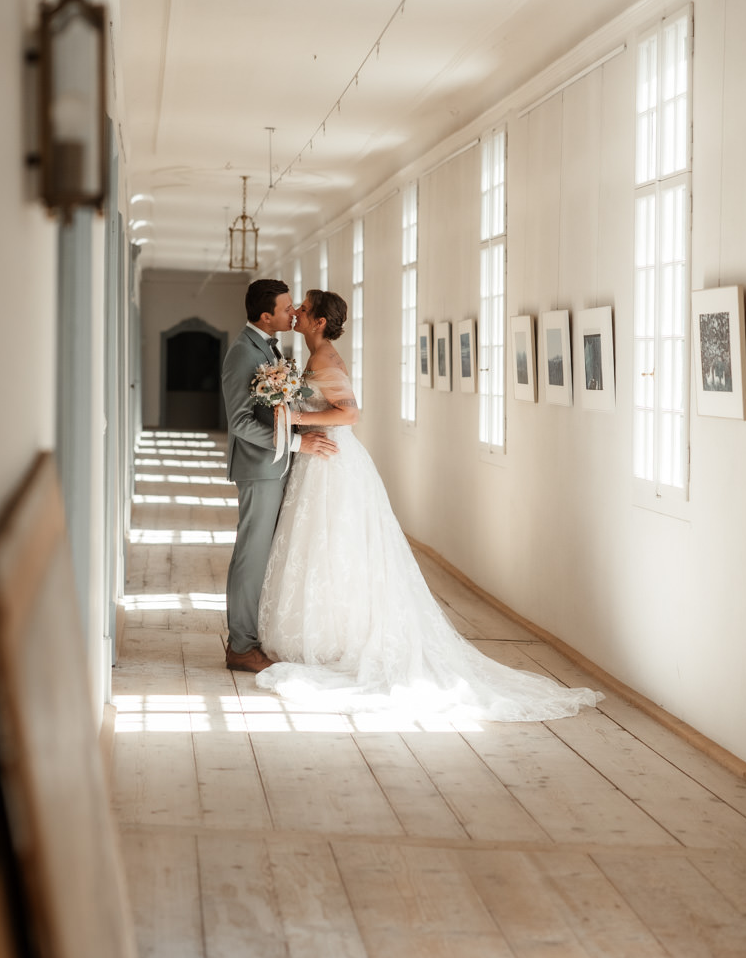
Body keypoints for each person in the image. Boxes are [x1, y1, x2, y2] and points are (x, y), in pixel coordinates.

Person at [256, 289, 600, 720]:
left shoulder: (324, 358)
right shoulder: (316, 355)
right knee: (326, 548)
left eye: (304, 310)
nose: (299, 314)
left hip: (332, 462)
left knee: (336, 545)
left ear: (320, 322)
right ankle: (326, 629)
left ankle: (336, 636)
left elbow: (349, 414)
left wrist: (295, 419)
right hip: (320, 460)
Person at [221, 279, 337, 673]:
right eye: (287, 308)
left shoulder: (268, 347)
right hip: (259, 468)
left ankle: (255, 636)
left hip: (277, 466)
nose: (294, 313)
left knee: (266, 555)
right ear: (265, 315)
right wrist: (296, 445)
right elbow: (238, 423)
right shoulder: (242, 353)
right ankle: (240, 646)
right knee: (251, 557)